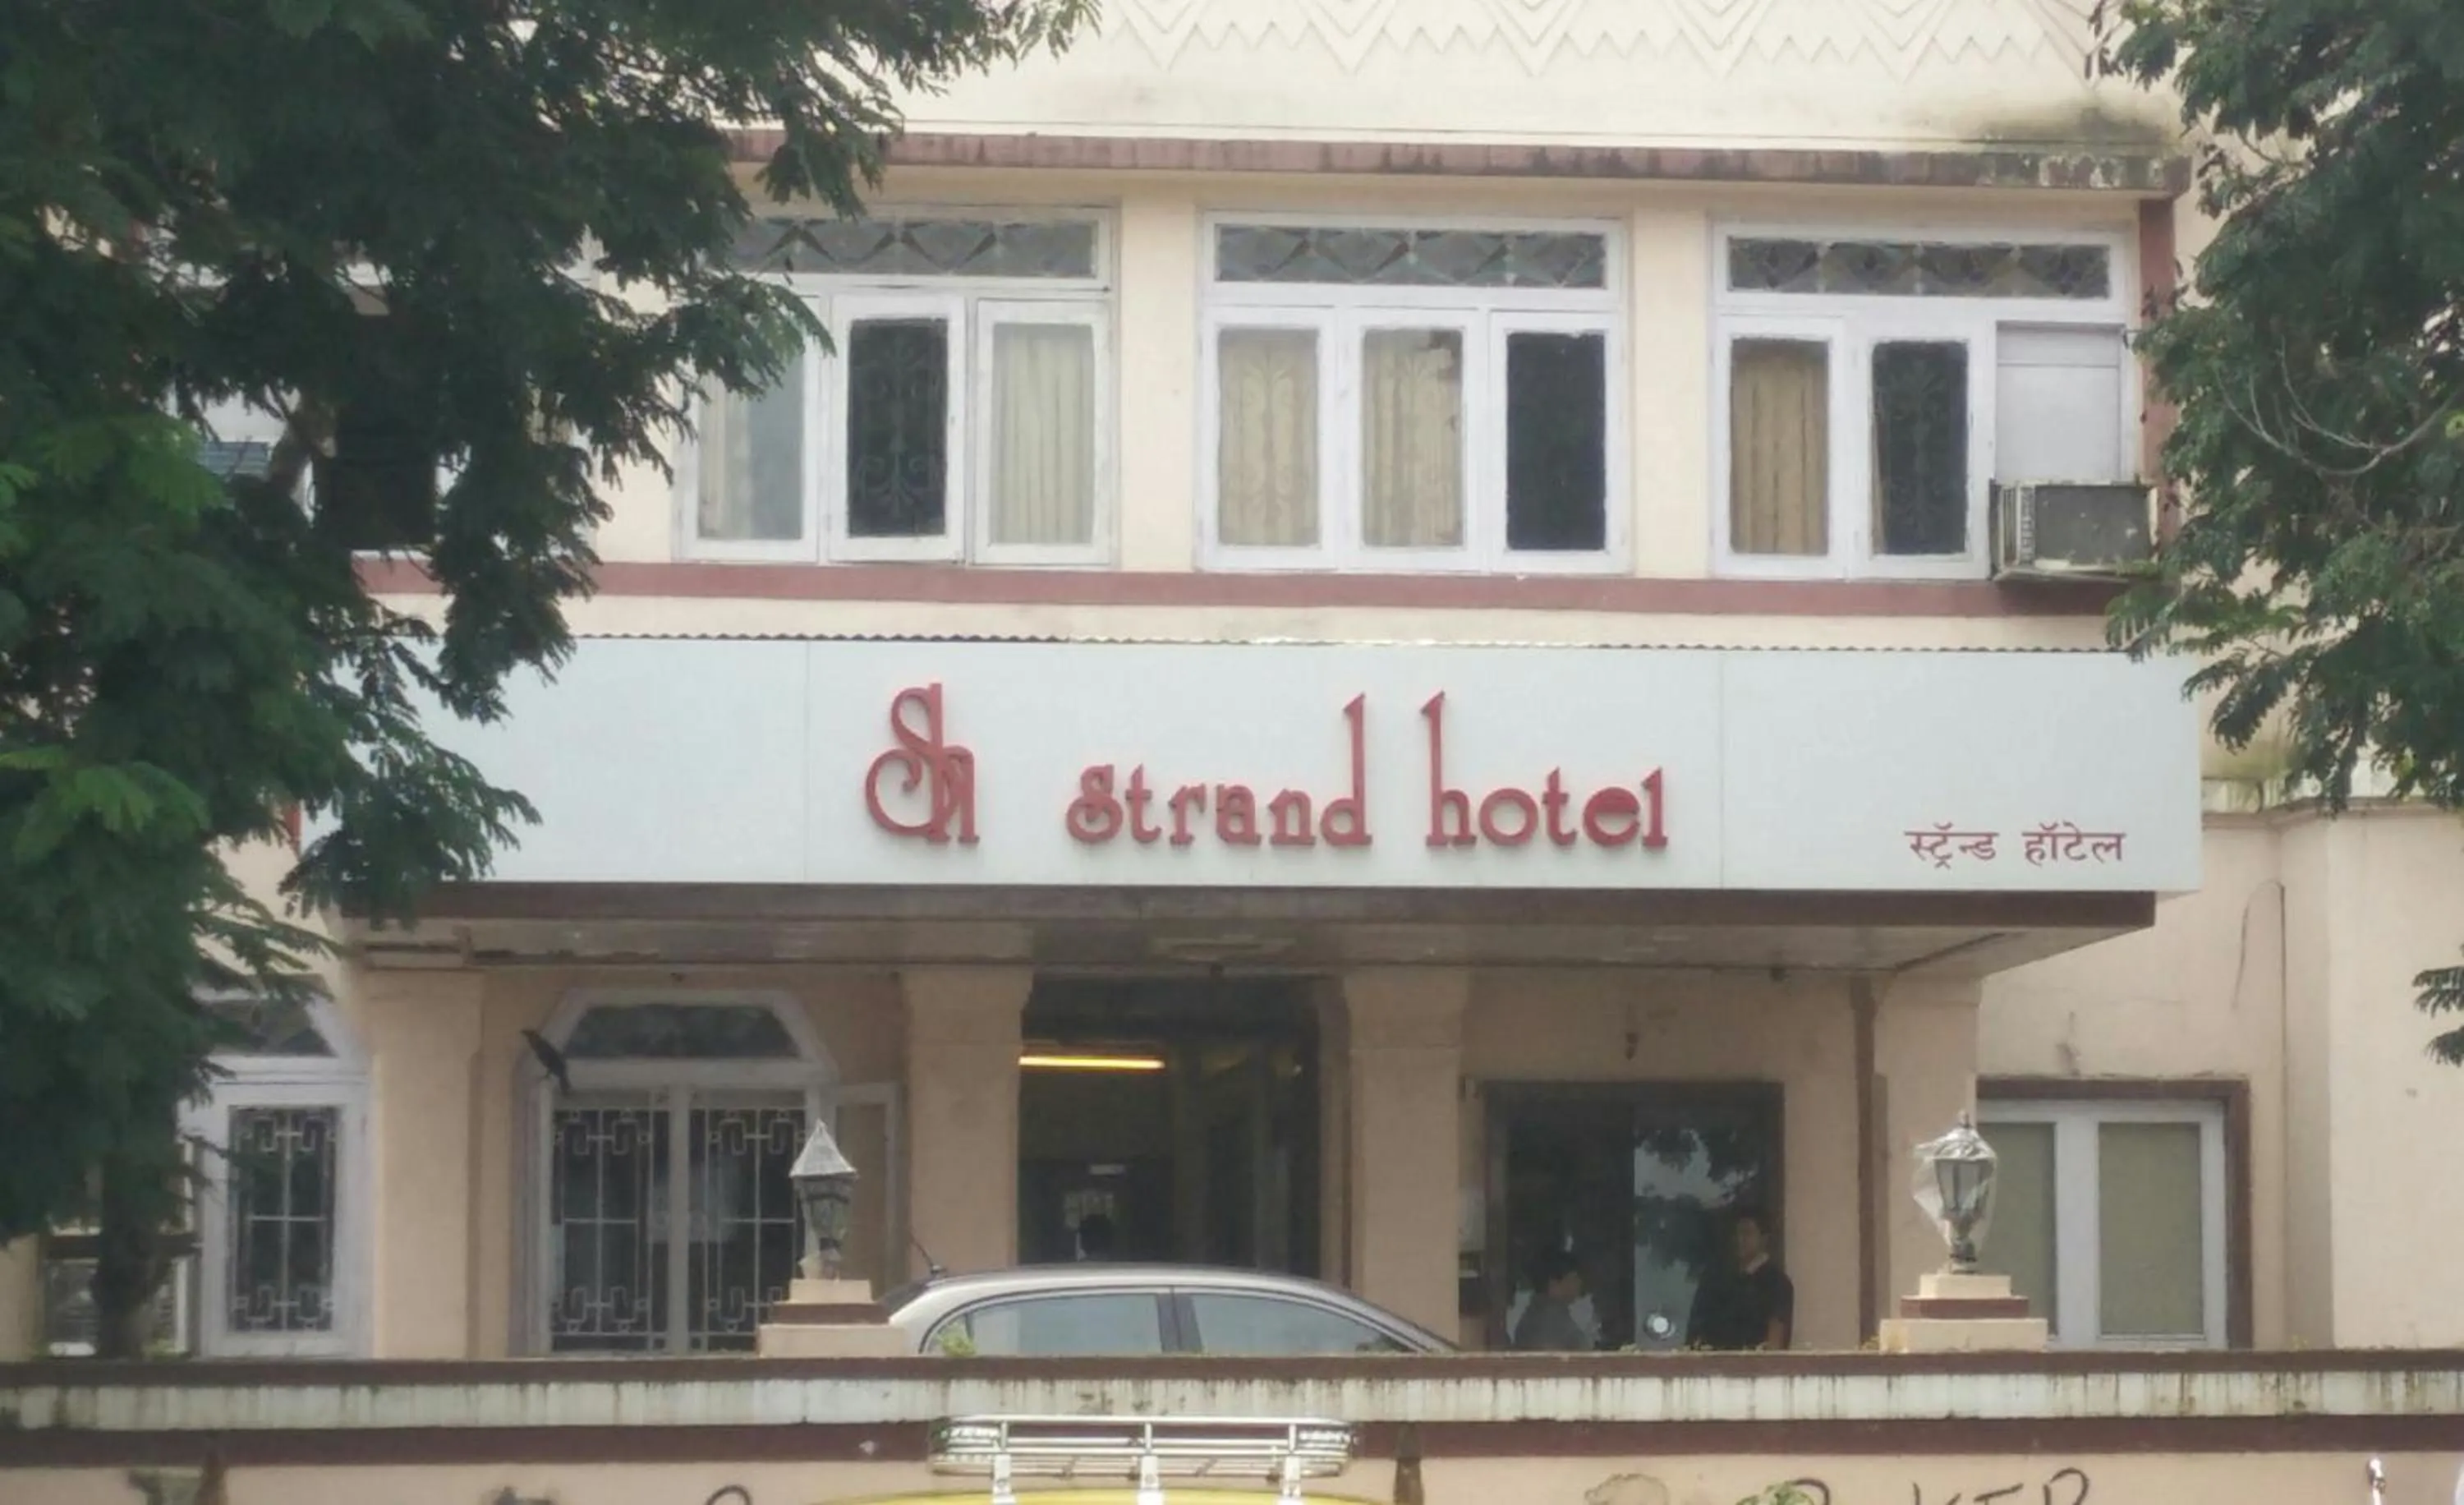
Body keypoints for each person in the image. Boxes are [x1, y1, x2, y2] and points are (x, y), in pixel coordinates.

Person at [1685, 1208, 1795, 1351]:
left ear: (1764, 1239)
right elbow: (1696, 1331)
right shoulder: (1716, 1280)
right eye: (1736, 1234)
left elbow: (1776, 1338)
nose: (1739, 1239)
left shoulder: (1777, 1283)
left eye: (1747, 1233)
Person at [1510, 1248, 1592, 1351]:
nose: (1579, 1283)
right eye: (1573, 1278)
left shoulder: (1530, 1317)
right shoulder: (1552, 1322)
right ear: (1553, 1284)